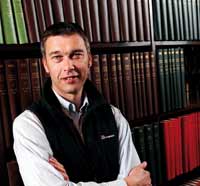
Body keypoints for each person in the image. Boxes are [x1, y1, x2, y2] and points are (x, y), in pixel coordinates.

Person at [13, 22, 151, 186]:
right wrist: (125, 184)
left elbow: (139, 182)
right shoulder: (29, 125)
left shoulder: (114, 116)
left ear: (90, 59)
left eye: (76, 55)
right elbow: (132, 183)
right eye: (57, 57)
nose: (68, 66)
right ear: (45, 65)